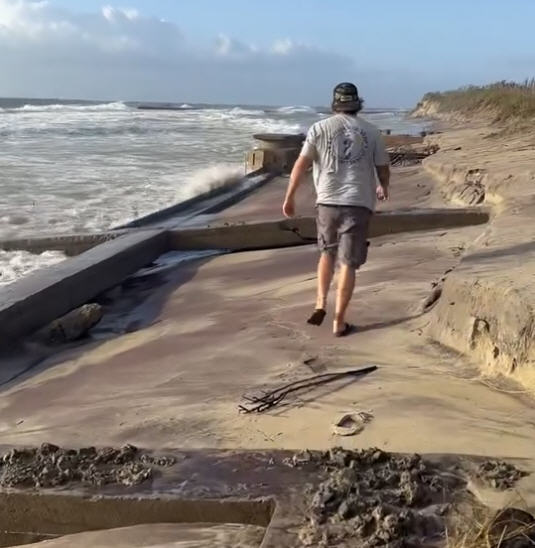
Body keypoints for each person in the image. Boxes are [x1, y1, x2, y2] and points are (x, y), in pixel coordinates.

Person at [282, 82, 390, 337]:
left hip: (327, 202)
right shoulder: (372, 132)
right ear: (357, 104)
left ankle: (320, 302)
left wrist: (289, 197)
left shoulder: (319, 128)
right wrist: (384, 185)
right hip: (358, 202)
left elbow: (301, 164)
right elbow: (383, 167)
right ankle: (339, 322)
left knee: (327, 254)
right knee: (348, 263)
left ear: (335, 104)